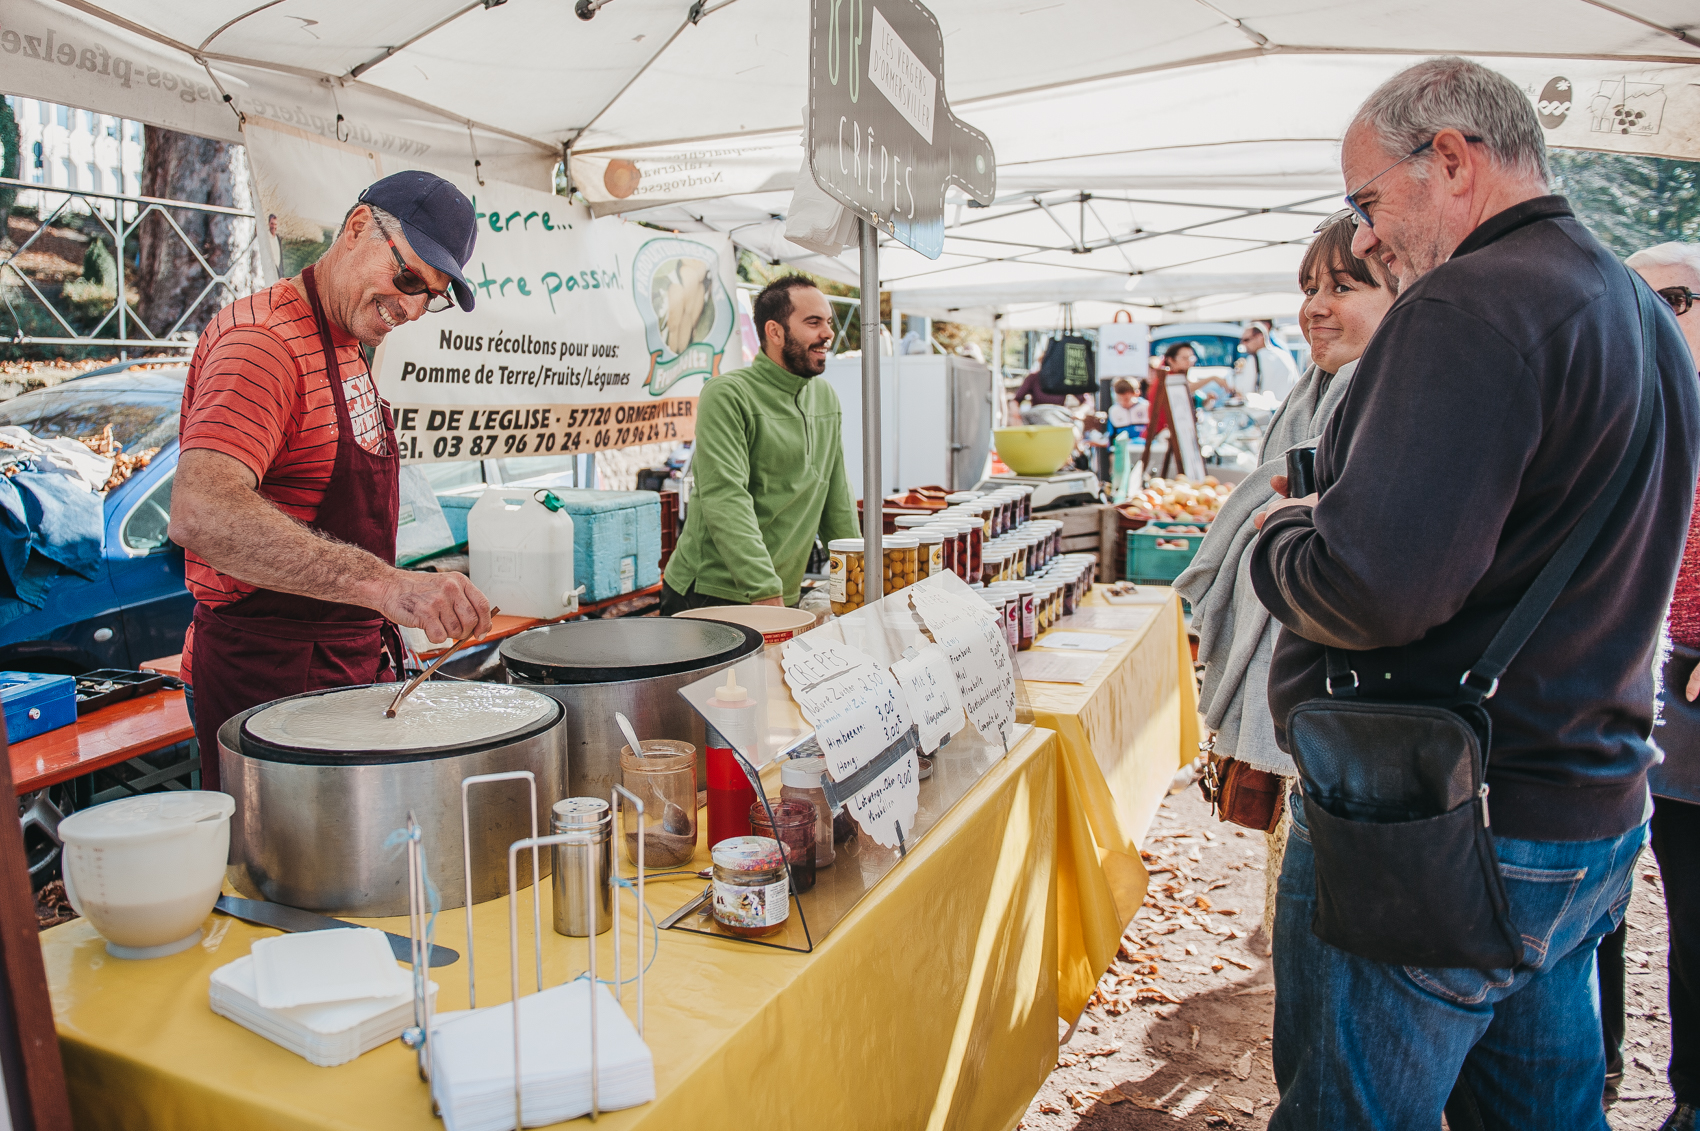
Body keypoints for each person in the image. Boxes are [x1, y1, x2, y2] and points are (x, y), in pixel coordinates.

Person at [1250, 57, 1700, 1130]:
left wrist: (1282, 537)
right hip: (1578, 805)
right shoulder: (1637, 311)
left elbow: (1369, 590)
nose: (1365, 238)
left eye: (1367, 203)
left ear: (1450, 159)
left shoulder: (1469, 302)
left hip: (1445, 820)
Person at [169, 171, 492, 790]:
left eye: (432, 296)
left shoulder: (345, 339)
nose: (411, 309)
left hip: (340, 667)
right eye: (408, 279)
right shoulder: (263, 343)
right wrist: (388, 587)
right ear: (357, 228)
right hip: (267, 682)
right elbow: (202, 513)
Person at [1175, 211, 1398, 947]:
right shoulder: (1315, 393)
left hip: (1352, 719)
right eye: (1308, 289)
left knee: (1326, 931)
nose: (1316, 308)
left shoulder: (1393, 401)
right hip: (1308, 703)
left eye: (1344, 287)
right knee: (1294, 909)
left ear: (1403, 290)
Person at [1621, 240, 1700, 1131]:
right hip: (1650, 692)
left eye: (1673, 301)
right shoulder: (1625, 410)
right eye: (1634, 301)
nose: (1653, 319)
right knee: (1678, 907)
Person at [661, 275, 858, 613]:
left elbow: (836, 499)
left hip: (780, 594)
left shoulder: (825, 396)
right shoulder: (728, 394)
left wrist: (857, 577)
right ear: (775, 332)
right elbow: (725, 497)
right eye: (813, 322)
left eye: (828, 322)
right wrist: (765, 590)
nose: (828, 333)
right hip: (711, 593)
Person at [1237, 321, 1301, 399]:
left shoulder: (1254, 359)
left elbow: (1245, 390)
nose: (1243, 344)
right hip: (1287, 404)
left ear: (1260, 337)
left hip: (1266, 406)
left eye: (1246, 340)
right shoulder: (1285, 355)